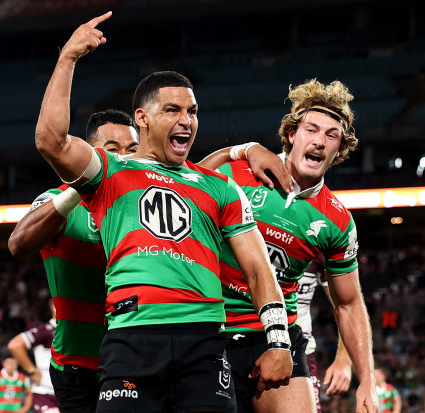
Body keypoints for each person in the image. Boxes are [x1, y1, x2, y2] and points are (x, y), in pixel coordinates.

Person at [33, 11, 292, 413]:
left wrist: (279, 341)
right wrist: (68, 58)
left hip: (204, 342)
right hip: (131, 338)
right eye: (172, 110)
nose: (186, 120)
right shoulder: (109, 171)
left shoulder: (219, 187)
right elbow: (51, 141)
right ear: (142, 118)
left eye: (192, 111)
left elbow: (259, 269)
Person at [200, 78, 379, 413]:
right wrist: (243, 148)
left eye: (331, 136)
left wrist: (366, 380)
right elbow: (186, 184)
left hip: (276, 335)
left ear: (339, 151)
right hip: (211, 328)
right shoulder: (239, 173)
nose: (320, 142)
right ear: (292, 134)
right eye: (311, 129)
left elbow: (349, 303)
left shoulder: (337, 221)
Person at [8, 108, 139, 413]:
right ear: (90, 153)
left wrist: (241, 150)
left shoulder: (145, 201)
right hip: (75, 365)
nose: (124, 158)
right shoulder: (60, 198)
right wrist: (81, 188)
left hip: (133, 359)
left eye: (132, 149)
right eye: (112, 150)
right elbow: (18, 244)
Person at [298, 254, 353, 412]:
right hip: (242, 343)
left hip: (300, 353)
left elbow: (347, 306)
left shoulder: (319, 243)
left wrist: (344, 359)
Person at [7, 300, 59, 413]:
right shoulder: (47, 330)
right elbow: (15, 345)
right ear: (53, 308)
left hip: (69, 393)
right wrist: (32, 371)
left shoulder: (73, 331)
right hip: (45, 392)